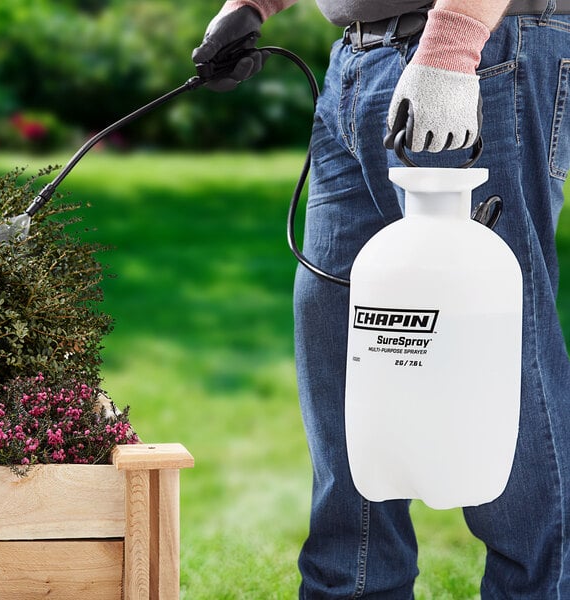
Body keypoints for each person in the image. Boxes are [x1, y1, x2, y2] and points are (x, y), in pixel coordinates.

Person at [193, 1, 570, 597]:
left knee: (502, 358)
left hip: (475, 52)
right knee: (343, 352)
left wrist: (452, 47)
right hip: (355, 63)